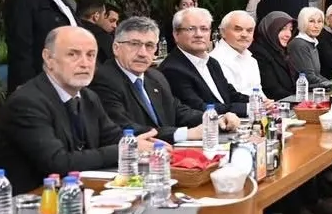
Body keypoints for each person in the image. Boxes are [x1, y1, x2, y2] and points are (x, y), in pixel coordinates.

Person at [0, 26, 157, 194]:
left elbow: (112, 136)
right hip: (31, 200)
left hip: (78, 193)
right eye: (73, 54)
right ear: (48, 58)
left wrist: (141, 143)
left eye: (90, 55)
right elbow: (58, 163)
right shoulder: (26, 103)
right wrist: (125, 149)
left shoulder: (88, 97)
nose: (85, 63)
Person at [91, 17, 239, 140]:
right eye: (134, 44)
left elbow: (178, 111)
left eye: (149, 46)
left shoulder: (155, 77)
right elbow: (124, 127)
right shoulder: (104, 79)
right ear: (116, 48)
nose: (142, 53)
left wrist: (216, 119)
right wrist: (185, 134)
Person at [3, 0, 76, 93]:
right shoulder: (22, 0)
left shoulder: (63, 1)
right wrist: (25, 83)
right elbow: (20, 44)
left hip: (67, 75)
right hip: (41, 78)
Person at [159, 7, 251, 118]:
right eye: (191, 29)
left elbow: (230, 94)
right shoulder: (172, 69)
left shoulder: (211, 62)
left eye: (204, 29)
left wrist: (258, 102)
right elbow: (199, 107)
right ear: (176, 34)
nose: (199, 34)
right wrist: (246, 108)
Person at [210, 11, 263, 97]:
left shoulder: (252, 60)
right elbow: (229, 98)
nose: (244, 35)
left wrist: (267, 102)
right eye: (238, 29)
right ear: (223, 32)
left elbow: (258, 92)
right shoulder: (215, 61)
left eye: (249, 30)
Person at [250, 11, 297, 100]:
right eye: (283, 29)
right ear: (270, 29)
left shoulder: (281, 51)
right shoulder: (258, 53)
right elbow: (272, 90)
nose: (288, 34)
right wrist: (299, 101)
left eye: (290, 29)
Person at [287, 6, 329, 88]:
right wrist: (331, 84)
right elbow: (308, 77)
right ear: (303, 23)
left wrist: (331, 83)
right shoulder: (299, 44)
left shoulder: (312, 42)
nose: (316, 26)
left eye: (320, 21)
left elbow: (317, 75)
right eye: (311, 21)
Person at [76, 0, 115, 64]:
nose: (104, 18)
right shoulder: (103, 37)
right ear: (96, 16)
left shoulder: (68, 30)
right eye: (104, 14)